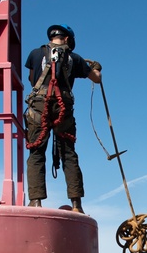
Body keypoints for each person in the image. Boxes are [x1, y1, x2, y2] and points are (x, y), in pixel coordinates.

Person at [23, 24, 101, 212]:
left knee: (36, 153)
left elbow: (31, 79)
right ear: (67, 39)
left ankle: (35, 201)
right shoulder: (75, 59)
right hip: (62, 108)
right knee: (68, 154)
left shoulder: (35, 54)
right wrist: (96, 68)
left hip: (38, 107)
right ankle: (76, 204)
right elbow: (97, 79)